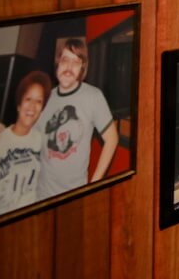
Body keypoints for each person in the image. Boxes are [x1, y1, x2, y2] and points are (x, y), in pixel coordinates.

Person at [37, 38, 118, 200]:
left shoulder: (93, 96)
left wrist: (94, 184)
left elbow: (112, 139)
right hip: (41, 196)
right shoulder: (45, 98)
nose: (69, 67)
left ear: (82, 68)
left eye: (76, 62)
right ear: (57, 63)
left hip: (74, 196)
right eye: (65, 60)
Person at [0, 71, 52, 221]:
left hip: (25, 226)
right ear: (19, 104)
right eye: (28, 99)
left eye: (39, 101)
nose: (32, 107)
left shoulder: (40, 139)